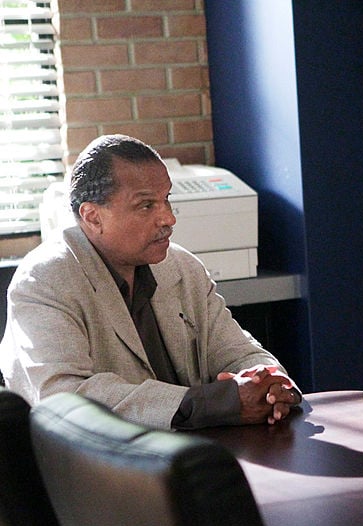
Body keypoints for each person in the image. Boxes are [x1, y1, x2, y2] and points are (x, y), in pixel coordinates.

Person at [0, 134, 300, 429]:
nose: (168, 218)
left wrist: (270, 385)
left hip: (194, 455)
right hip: (99, 469)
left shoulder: (182, 267)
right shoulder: (45, 280)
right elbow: (66, 398)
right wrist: (213, 403)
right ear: (92, 217)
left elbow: (239, 352)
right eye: (146, 205)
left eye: (166, 199)